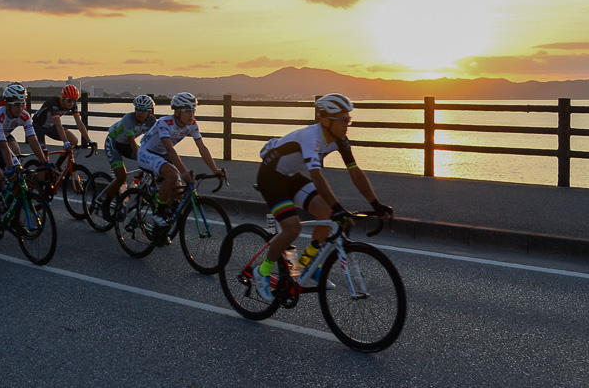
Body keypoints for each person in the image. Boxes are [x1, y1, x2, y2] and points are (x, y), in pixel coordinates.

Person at [250, 93, 394, 301]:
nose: (347, 124)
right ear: (325, 121)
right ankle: (262, 272)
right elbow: (316, 175)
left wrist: (375, 204)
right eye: (343, 120)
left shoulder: (340, 140)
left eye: (349, 119)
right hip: (271, 177)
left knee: (325, 214)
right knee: (293, 227)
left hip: (291, 177)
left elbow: (355, 172)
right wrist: (338, 208)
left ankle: (307, 264)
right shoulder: (311, 137)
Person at [135, 91, 228, 243]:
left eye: (193, 110)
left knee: (178, 193)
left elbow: (202, 148)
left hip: (162, 154)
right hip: (147, 152)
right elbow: (170, 149)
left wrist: (215, 170)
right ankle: (158, 213)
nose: (191, 114)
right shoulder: (165, 123)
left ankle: (161, 229)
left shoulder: (192, 124)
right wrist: (184, 171)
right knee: (173, 174)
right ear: (177, 112)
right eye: (187, 110)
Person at [0, 83, 49, 220]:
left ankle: (10, 212)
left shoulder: (24, 116)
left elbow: (32, 139)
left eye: (22, 103)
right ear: (7, 104)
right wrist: (10, 168)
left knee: (20, 177)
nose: (21, 108)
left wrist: (44, 162)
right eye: (17, 104)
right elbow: (3, 146)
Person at [99, 95, 159, 219]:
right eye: (137, 109)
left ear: (150, 111)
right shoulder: (129, 119)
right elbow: (132, 142)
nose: (140, 113)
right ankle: (105, 205)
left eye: (143, 110)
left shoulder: (152, 121)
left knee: (151, 161)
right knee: (121, 176)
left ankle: (135, 186)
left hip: (125, 144)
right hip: (114, 143)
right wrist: (143, 160)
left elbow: (153, 141)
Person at [32, 84, 91, 149]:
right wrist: (65, 141)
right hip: (39, 126)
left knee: (74, 140)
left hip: (51, 126)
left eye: (74, 100)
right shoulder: (54, 102)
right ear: (63, 97)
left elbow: (79, 123)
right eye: (69, 100)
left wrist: (89, 141)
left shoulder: (73, 104)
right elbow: (58, 124)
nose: (71, 103)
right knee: (44, 154)